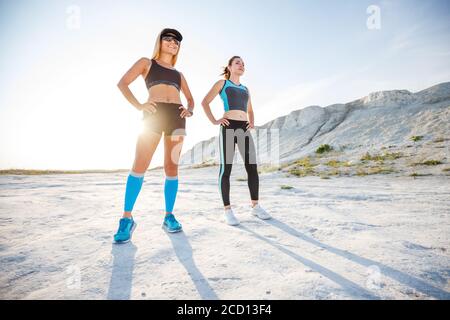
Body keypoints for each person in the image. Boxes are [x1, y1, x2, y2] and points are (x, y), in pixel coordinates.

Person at [114, 28, 194, 242]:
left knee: (172, 166)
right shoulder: (146, 63)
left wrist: (190, 109)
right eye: (168, 38)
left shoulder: (179, 74)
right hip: (154, 114)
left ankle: (169, 216)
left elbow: (190, 99)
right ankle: (126, 218)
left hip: (177, 119)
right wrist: (139, 105)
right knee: (140, 163)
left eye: (176, 41)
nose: (173, 42)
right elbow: (122, 83)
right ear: (159, 41)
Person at [202, 56, 271, 226]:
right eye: (237, 63)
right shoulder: (222, 84)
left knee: (252, 167)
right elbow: (205, 102)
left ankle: (255, 206)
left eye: (243, 64)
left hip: (243, 128)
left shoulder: (246, 89)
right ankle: (228, 210)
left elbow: (250, 110)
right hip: (228, 126)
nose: (241, 65)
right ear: (230, 67)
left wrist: (251, 122)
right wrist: (214, 120)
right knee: (226, 168)